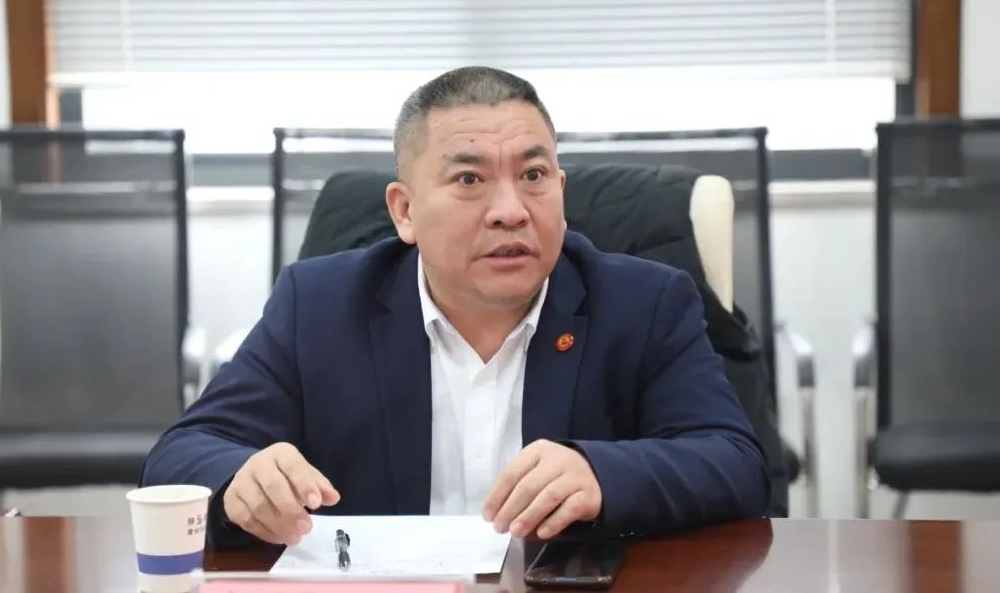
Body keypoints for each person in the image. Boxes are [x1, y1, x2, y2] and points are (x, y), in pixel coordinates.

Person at [141, 66, 770, 548]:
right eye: (470, 179)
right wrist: (241, 477)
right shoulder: (320, 305)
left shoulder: (644, 303)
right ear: (405, 211)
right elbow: (183, 453)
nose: (510, 210)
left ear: (560, 191)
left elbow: (736, 464)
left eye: (533, 176)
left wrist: (601, 472)